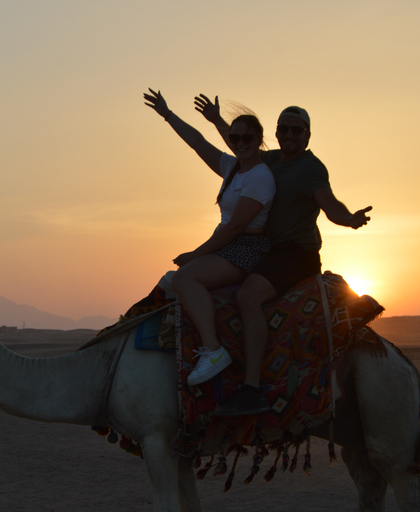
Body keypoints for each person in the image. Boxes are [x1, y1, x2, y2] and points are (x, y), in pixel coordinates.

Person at [193, 94, 373, 416]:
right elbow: (242, 145)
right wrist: (217, 122)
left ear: (307, 136)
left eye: (297, 131)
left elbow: (329, 203)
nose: (289, 135)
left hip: (295, 254)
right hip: (265, 250)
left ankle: (252, 389)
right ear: (276, 133)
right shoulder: (272, 161)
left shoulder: (311, 168)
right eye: (284, 130)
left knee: (248, 297)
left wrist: (349, 219)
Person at [143, 88, 276, 386]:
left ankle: (214, 351)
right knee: (170, 281)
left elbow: (233, 228)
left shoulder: (260, 177)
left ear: (259, 141)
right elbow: (197, 142)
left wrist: (195, 254)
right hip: (230, 242)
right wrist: (168, 115)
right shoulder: (233, 169)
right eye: (235, 138)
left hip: (247, 246)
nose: (240, 143)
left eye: (248, 139)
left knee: (185, 279)